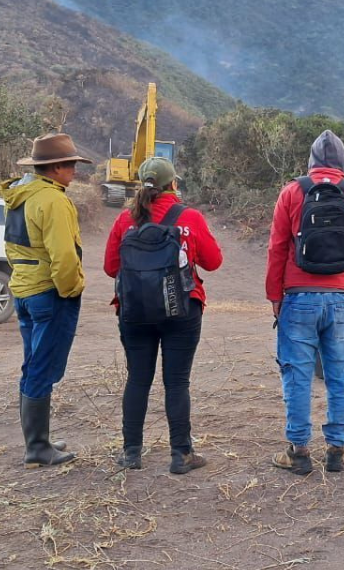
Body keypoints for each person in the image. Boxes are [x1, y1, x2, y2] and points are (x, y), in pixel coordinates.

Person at [266, 130, 344, 475]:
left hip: (298, 298)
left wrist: (275, 296)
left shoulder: (292, 192)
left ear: (311, 163)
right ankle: (336, 449)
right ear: (343, 165)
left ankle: (299, 451)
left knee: (298, 376)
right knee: (339, 376)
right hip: (340, 300)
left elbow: (276, 248)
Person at [103, 157, 223, 474]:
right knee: (177, 383)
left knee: (138, 380)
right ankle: (181, 454)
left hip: (134, 312)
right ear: (173, 184)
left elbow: (111, 268)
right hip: (181, 309)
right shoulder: (190, 217)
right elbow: (213, 262)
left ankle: (131, 453)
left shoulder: (124, 220)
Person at [0, 133, 92, 468]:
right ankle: (37, 447)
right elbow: (64, 256)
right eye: (69, 164)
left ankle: (38, 441)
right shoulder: (52, 201)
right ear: (53, 168)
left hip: (24, 290)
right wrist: (71, 290)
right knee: (43, 367)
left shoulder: (18, 196)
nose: (73, 170)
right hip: (49, 294)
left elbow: (15, 247)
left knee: (32, 364)